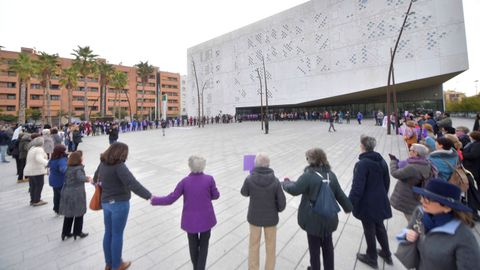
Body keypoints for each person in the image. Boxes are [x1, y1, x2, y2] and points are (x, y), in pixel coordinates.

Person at [282, 148, 352, 270]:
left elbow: (294, 189)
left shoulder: (308, 176)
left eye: (307, 158)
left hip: (312, 219)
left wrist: (285, 183)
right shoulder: (331, 175)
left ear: (311, 160)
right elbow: (339, 194)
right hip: (329, 217)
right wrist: (348, 207)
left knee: (314, 250)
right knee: (328, 247)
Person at [151, 155, 220, 270]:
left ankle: (196, 267)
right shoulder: (209, 179)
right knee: (204, 245)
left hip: (190, 220)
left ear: (189, 166)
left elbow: (171, 199)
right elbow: (216, 195)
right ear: (203, 166)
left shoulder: (184, 182)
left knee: (192, 245)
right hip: (206, 219)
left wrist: (155, 200)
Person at [93, 142, 152, 270]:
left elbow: (95, 179)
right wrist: (149, 196)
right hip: (119, 204)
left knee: (108, 233)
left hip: (106, 203)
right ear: (121, 153)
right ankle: (117, 265)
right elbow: (133, 184)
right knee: (117, 234)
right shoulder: (119, 166)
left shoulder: (102, 163)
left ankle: (109, 264)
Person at [397, 180, 480, 270]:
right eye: (423, 196)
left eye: (428, 199)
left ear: (447, 207)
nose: (422, 201)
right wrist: (407, 235)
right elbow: (406, 231)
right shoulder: (420, 212)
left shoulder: (464, 237)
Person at [349, 135, 392, 268]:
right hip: (379, 200)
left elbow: (357, 187)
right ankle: (386, 253)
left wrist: (350, 203)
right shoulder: (381, 160)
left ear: (362, 146)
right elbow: (387, 181)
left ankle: (371, 257)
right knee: (380, 226)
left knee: (369, 229)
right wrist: (382, 195)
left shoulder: (362, 164)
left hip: (367, 203)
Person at [241, 153, 286, 270]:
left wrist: (248, 179)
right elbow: (282, 204)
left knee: (253, 245)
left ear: (255, 164)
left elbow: (244, 193)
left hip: (254, 217)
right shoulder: (275, 181)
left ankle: (253, 268)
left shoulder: (250, 178)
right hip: (271, 219)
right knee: (271, 247)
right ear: (268, 165)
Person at [389, 144, 434, 221]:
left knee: (412, 221)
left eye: (411, 150)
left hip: (409, 197)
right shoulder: (426, 163)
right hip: (417, 195)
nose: (409, 151)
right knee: (414, 217)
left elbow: (395, 173)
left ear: (416, 153)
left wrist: (393, 162)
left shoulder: (412, 167)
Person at [59, 151, 91, 240]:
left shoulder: (68, 167)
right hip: (76, 193)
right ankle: (78, 232)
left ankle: (65, 232)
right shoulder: (78, 168)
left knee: (69, 213)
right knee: (79, 212)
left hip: (67, 191)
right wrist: (87, 179)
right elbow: (80, 178)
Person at [23, 135, 49, 206]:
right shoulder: (39, 149)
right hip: (36, 170)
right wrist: (48, 163)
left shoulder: (32, 148)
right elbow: (39, 158)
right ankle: (37, 200)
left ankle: (33, 200)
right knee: (39, 185)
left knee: (33, 186)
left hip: (30, 170)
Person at [48, 145, 68, 215]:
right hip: (60, 180)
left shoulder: (53, 158)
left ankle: (56, 208)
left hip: (53, 179)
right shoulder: (61, 160)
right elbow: (63, 169)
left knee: (56, 195)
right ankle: (62, 210)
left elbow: (49, 165)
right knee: (62, 196)